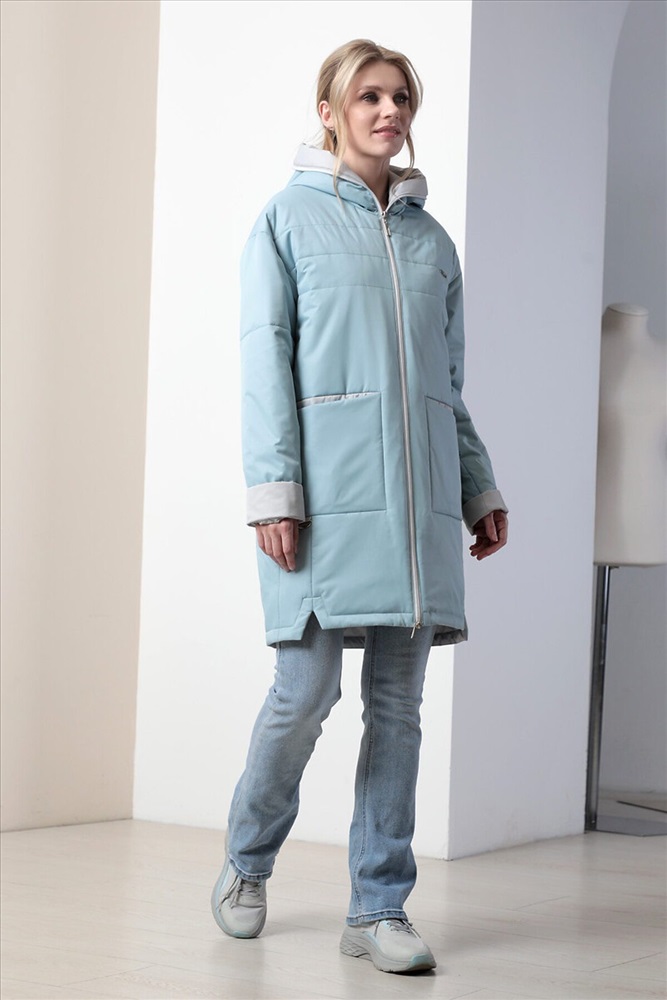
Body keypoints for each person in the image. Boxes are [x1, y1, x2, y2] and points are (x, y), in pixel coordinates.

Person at [211, 38, 508, 975]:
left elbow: (446, 388)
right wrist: (274, 490)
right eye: (369, 96)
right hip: (322, 503)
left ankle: (378, 908)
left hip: (417, 509)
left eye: (400, 98)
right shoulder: (285, 220)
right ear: (329, 111)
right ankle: (246, 862)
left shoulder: (431, 242)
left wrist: (477, 485)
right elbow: (264, 363)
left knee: (397, 709)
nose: (388, 112)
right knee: (304, 693)